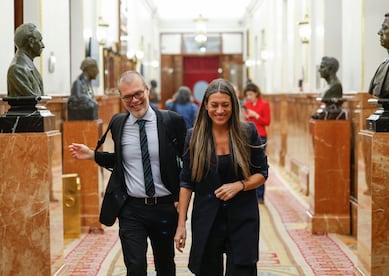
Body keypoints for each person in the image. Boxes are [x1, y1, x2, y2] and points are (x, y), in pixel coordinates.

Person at [68, 70, 187, 276]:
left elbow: (187, 163)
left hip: (165, 207)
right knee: (135, 267)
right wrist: (92, 155)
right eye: (127, 97)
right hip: (131, 209)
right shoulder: (118, 123)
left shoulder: (171, 121)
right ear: (120, 98)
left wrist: (180, 199)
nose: (134, 100)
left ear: (147, 90)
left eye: (138, 93)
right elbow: (124, 161)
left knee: (165, 265)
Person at [174, 78, 268, 276]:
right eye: (214, 105)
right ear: (205, 105)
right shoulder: (194, 137)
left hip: (243, 216)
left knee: (242, 270)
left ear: (233, 105)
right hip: (207, 216)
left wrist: (240, 185)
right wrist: (181, 224)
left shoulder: (247, 132)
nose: (220, 111)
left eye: (225, 105)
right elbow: (186, 182)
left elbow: (262, 173)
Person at [243, 82, 270, 203]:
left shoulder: (264, 104)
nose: (248, 97)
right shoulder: (247, 104)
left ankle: (260, 196)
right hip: (248, 136)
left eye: (250, 94)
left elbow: (267, 121)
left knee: (259, 166)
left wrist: (257, 116)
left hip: (261, 136)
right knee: (249, 165)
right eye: (247, 94)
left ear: (256, 94)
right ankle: (250, 192)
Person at [7, 23, 45, 97]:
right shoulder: (18, 69)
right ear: (31, 42)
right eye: (40, 41)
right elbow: (33, 100)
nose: (43, 45)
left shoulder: (28, 67)